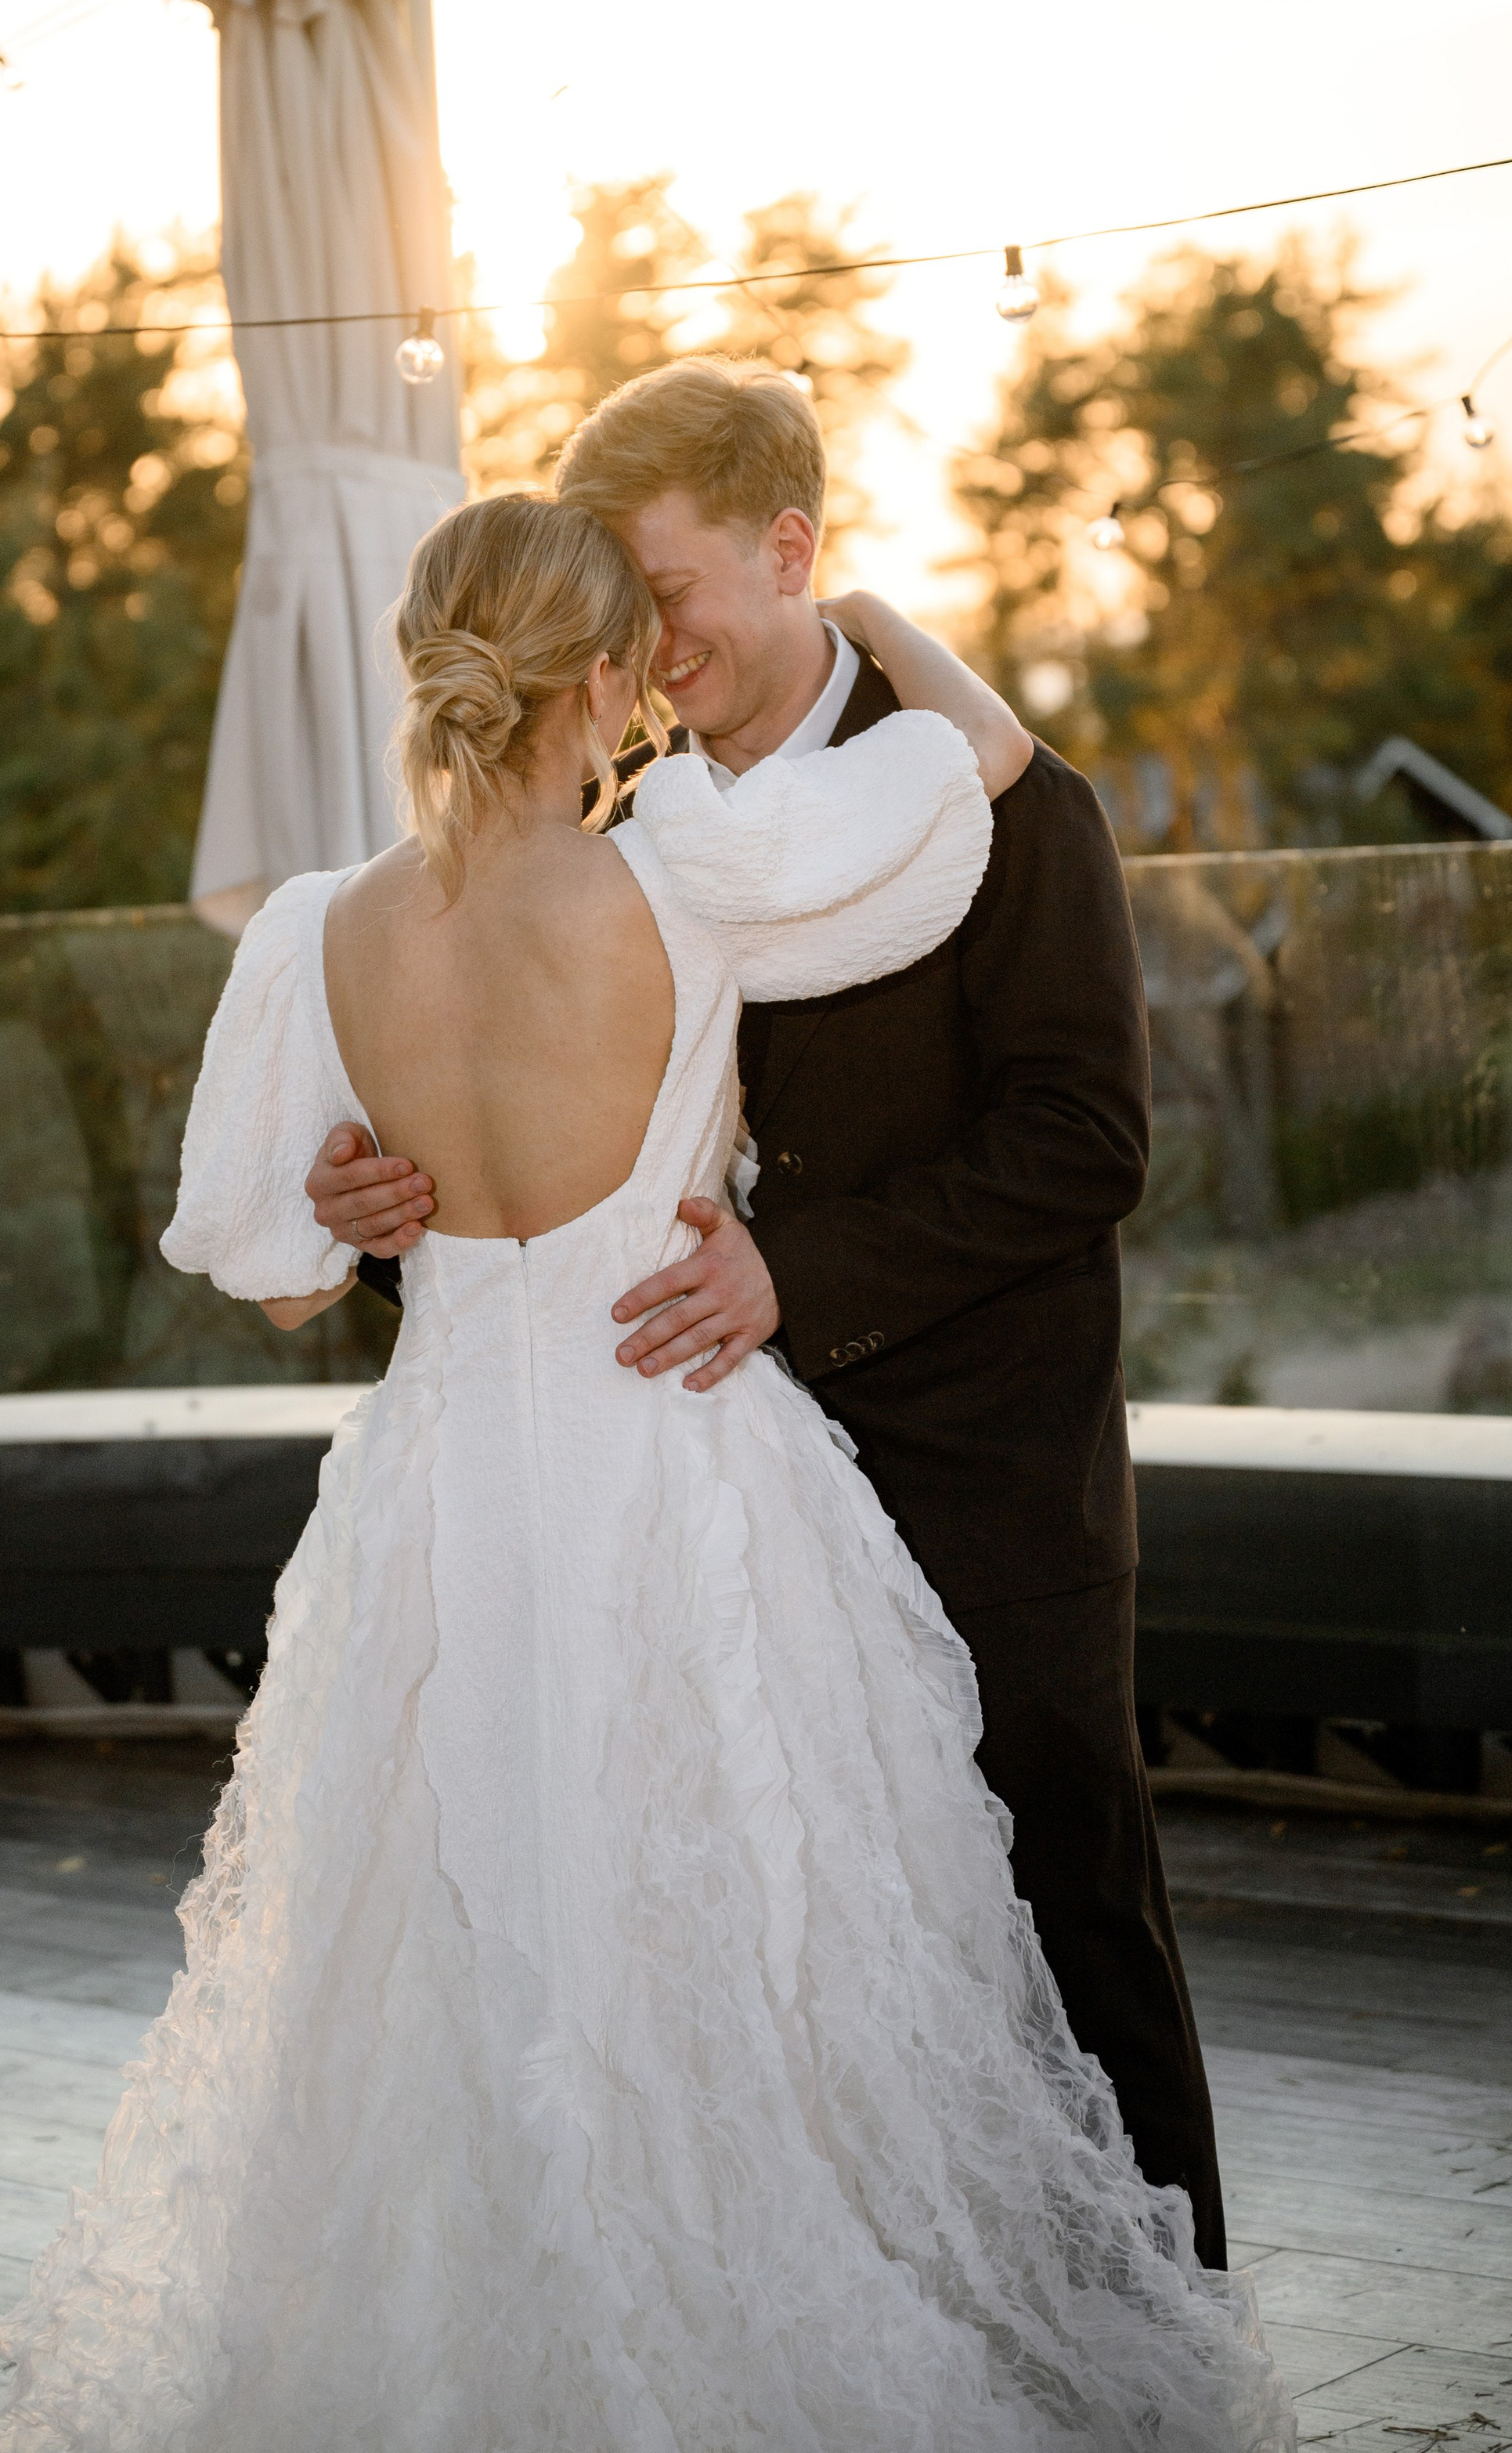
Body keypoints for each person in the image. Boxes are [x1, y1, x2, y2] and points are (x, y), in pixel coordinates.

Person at [0, 490, 1290, 2450]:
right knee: (739, 1943)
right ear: (598, 681)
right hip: (671, 1467)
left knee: (445, 1935)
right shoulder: (695, 882)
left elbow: (266, 1263)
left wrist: (363, 1184)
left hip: (437, 1501)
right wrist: (861, 606)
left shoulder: (314, 937)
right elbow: (973, 778)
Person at [313, 356, 1228, 2271]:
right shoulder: (618, 835)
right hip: (707, 1516)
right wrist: (390, 1207)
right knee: (795, 1974)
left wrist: (798, 1275)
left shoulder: (1003, 803)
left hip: (978, 1482)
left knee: (1063, 1919)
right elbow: (562, 1181)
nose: (640, 648)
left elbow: (1083, 1137)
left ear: (789, 546)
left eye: (666, 594)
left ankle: (1154, 2340)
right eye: (613, 611)